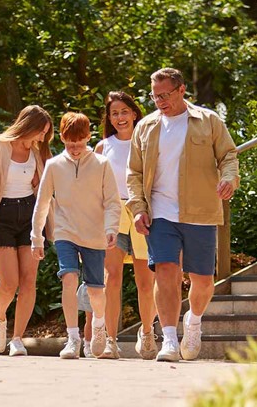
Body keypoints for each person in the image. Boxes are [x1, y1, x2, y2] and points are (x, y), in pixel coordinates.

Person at [127, 68, 239, 362]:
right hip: (160, 211)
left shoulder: (208, 121)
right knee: (165, 271)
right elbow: (134, 173)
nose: (160, 101)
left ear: (181, 90)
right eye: (154, 96)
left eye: (164, 95)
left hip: (200, 210)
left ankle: (193, 322)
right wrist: (138, 209)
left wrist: (229, 179)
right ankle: (169, 340)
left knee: (202, 280)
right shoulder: (146, 127)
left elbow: (228, 155)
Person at [31, 112, 122, 360]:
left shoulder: (102, 164)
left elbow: (113, 202)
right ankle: (72, 338)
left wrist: (111, 228)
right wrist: (36, 237)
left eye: (79, 144)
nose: (75, 149)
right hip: (65, 232)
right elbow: (42, 204)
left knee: (95, 291)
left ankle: (100, 325)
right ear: (62, 138)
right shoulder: (53, 165)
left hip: (95, 235)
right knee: (69, 278)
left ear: (88, 138)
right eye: (70, 144)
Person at [0, 105, 53, 356]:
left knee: (28, 282)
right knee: (8, 283)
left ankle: (17, 338)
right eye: (40, 132)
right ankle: (0, 315)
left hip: (30, 216)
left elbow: (49, 185)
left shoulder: (38, 152)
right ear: (28, 126)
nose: (41, 138)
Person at [94, 90, 159, 360]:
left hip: (142, 211)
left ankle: (147, 334)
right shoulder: (102, 147)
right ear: (109, 118)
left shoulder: (147, 141)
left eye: (124, 112)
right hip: (111, 214)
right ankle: (110, 340)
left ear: (134, 113)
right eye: (114, 113)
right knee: (111, 278)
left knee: (146, 281)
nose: (120, 117)